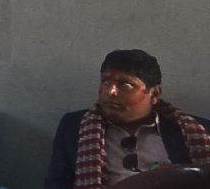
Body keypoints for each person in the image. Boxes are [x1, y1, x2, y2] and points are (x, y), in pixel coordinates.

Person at [44, 49, 210, 189]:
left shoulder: (195, 131)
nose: (111, 92)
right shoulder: (74, 127)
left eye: (125, 85)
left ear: (154, 94)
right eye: (106, 82)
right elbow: (56, 184)